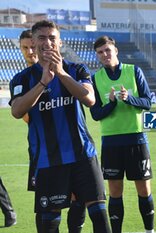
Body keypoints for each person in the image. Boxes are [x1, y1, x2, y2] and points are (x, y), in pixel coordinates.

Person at [9, 20, 111, 233]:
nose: (48, 42)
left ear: (60, 42)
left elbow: (89, 99)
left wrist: (61, 74)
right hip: (48, 160)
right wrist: (43, 82)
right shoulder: (23, 78)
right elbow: (17, 110)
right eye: (42, 38)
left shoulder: (76, 69)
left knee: (100, 217)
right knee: (49, 224)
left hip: (83, 155)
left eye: (52, 37)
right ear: (34, 42)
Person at [19, 29, 87, 233]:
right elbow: (25, 115)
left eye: (32, 46)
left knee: (78, 196)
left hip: (71, 148)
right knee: (46, 204)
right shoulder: (24, 78)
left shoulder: (62, 70)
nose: (30, 51)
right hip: (42, 151)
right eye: (25, 48)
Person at [90, 36, 154, 233]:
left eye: (107, 50)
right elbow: (95, 114)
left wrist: (129, 99)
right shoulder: (95, 78)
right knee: (115, 192)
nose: (104, 55)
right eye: (100, 52)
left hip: (136, 139)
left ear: (115, 50)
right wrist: (110, 104)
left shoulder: (134, 71)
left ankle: (149, 230)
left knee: (144, 190)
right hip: (111, 142)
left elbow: (148, 102)